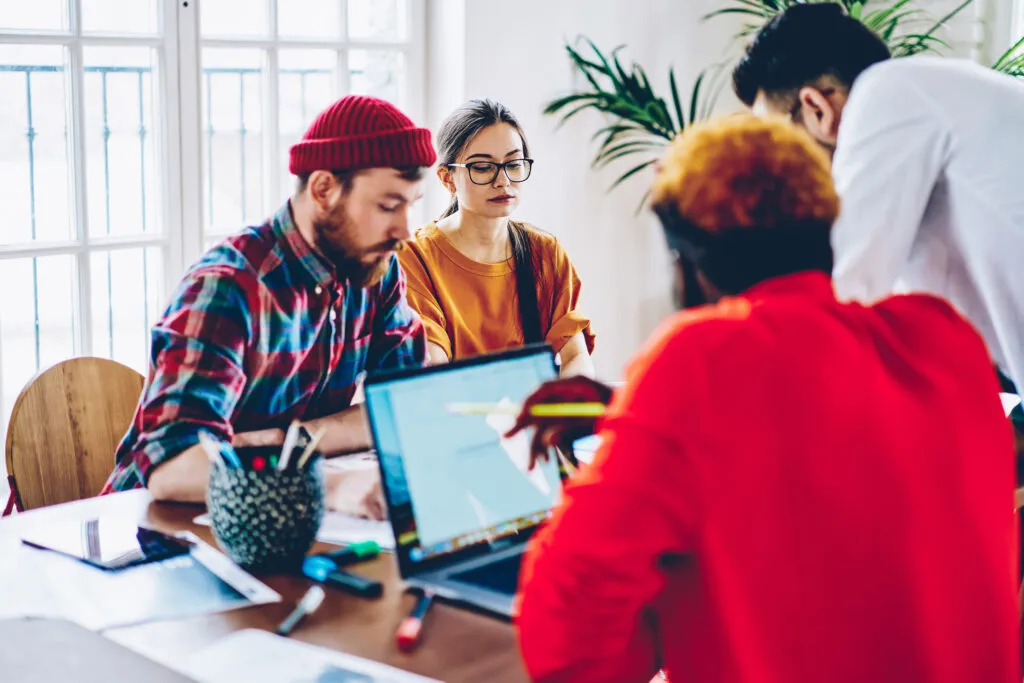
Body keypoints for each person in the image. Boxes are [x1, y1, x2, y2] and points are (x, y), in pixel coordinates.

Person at [509, 115, 1018, 683]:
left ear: (687, 266)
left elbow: (567, 643)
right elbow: (833, 447)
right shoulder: (943, 339)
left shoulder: (702, 360)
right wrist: (632, 416)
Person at [101, 95, 435, 520]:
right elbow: (174, 468)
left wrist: (292, 441)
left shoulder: (375, 270)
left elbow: (406, 407)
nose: (405, 230)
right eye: (389, 206)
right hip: (154, 530)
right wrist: (328, 486)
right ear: (323, 189)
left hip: (278, 521)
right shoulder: (227, 286)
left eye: (411, 204)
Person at [730, 3, 1024, 397]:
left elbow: (845, 292)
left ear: (817, 106)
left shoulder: (887, 93)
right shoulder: (931, 102)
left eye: (778, 138)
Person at [397, 99, 595, 374]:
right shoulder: (415, 257)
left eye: (513, 164)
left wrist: (560, 411)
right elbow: (434, 371)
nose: (503, 181)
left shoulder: (545, 252)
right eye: (482, 167)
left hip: (536, 414)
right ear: (447, 178)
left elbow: (575, 357)